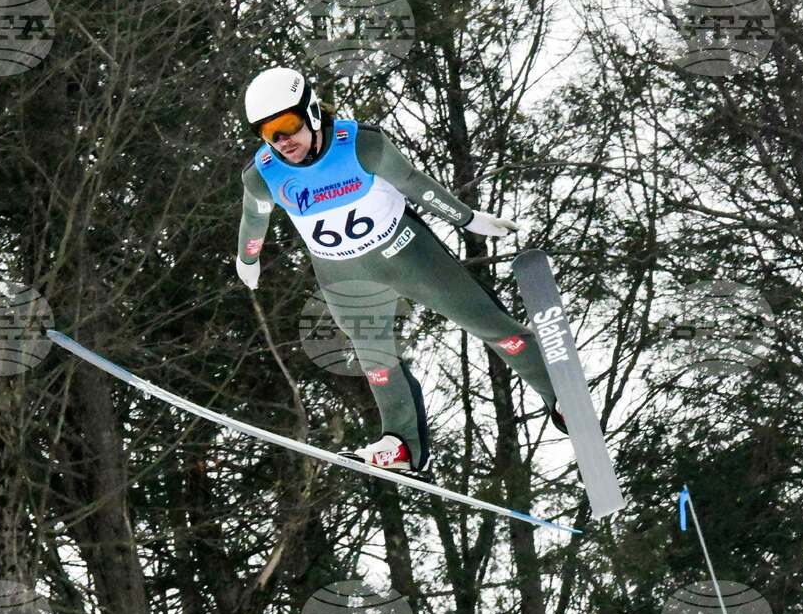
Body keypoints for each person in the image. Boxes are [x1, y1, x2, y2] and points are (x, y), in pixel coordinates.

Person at [236, 67, 566, 475]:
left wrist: (467, 219)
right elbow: (255, 218)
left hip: (406, 254)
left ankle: (558, 396)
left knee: (487, 324)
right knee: (376, 360)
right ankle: (401, 443)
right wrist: (247, 258)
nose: (284, 141)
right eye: (271, 133)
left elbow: (414, 185)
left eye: (288, 125)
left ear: (312, 113)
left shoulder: (362, 146)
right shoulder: (263, 174)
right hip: (343, 276)